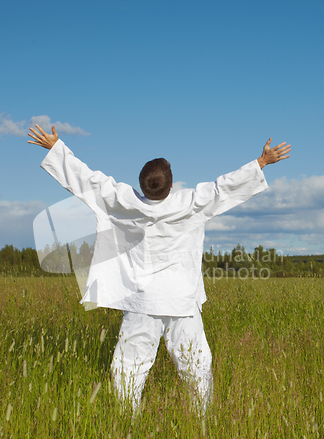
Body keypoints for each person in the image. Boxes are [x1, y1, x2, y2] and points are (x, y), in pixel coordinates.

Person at [28, 124, 290, 414]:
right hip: (181, 299)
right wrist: (262, 163)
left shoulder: (123, 202)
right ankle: (200, 417)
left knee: (130, 363)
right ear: (172, 184)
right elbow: (223, 187)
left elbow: (88, 181)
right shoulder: (191, 203)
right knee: (195, 363)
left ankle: (127, 418)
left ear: (142, 186)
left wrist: (56, 148)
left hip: (142, 299)